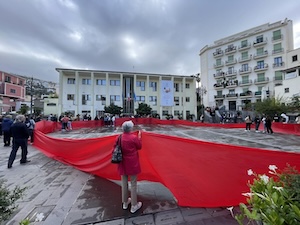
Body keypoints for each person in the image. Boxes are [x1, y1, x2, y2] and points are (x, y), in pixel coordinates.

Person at [115, 120, 142, 213]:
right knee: (133, 184)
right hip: (132, 162)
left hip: (122, 162)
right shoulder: (133, 137)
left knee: (124, 183)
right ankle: (134, 205)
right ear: (130, 128)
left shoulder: (119, 137)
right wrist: (139, 138)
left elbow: (115, 147)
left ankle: (125, 203)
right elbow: (139, 146)